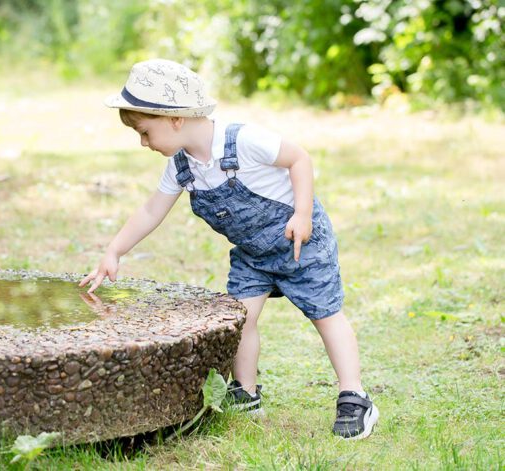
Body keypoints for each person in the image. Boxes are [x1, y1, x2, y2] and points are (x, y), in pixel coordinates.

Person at [79, 58, 379, 439]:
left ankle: (354, 396)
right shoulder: (181, 167)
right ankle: (246, 392)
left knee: (324, 313)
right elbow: (151, 209)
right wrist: (114, 250)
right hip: (253, 255)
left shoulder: (243, 140)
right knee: (241, 317)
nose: (143, 142)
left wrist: (302, 214)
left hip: (298, 241)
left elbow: (299, 158)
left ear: (174, 119)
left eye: (144, 132)